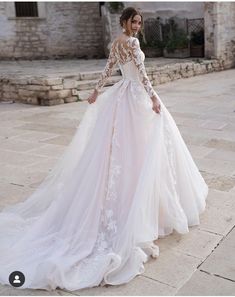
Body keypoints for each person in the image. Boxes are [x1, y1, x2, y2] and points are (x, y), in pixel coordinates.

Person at [0, 7, 208, 292]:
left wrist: (97, 91)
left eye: (139, 22)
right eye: (134, 21)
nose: (137, 25)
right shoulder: (132, 43)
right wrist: (154, 99)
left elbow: (109, 70)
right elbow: (143, 75)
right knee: (142, 150)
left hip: (121, 95)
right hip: (135, 97)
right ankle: (140, 203)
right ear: (125, 22)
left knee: (123, 151)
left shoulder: (116, 42)